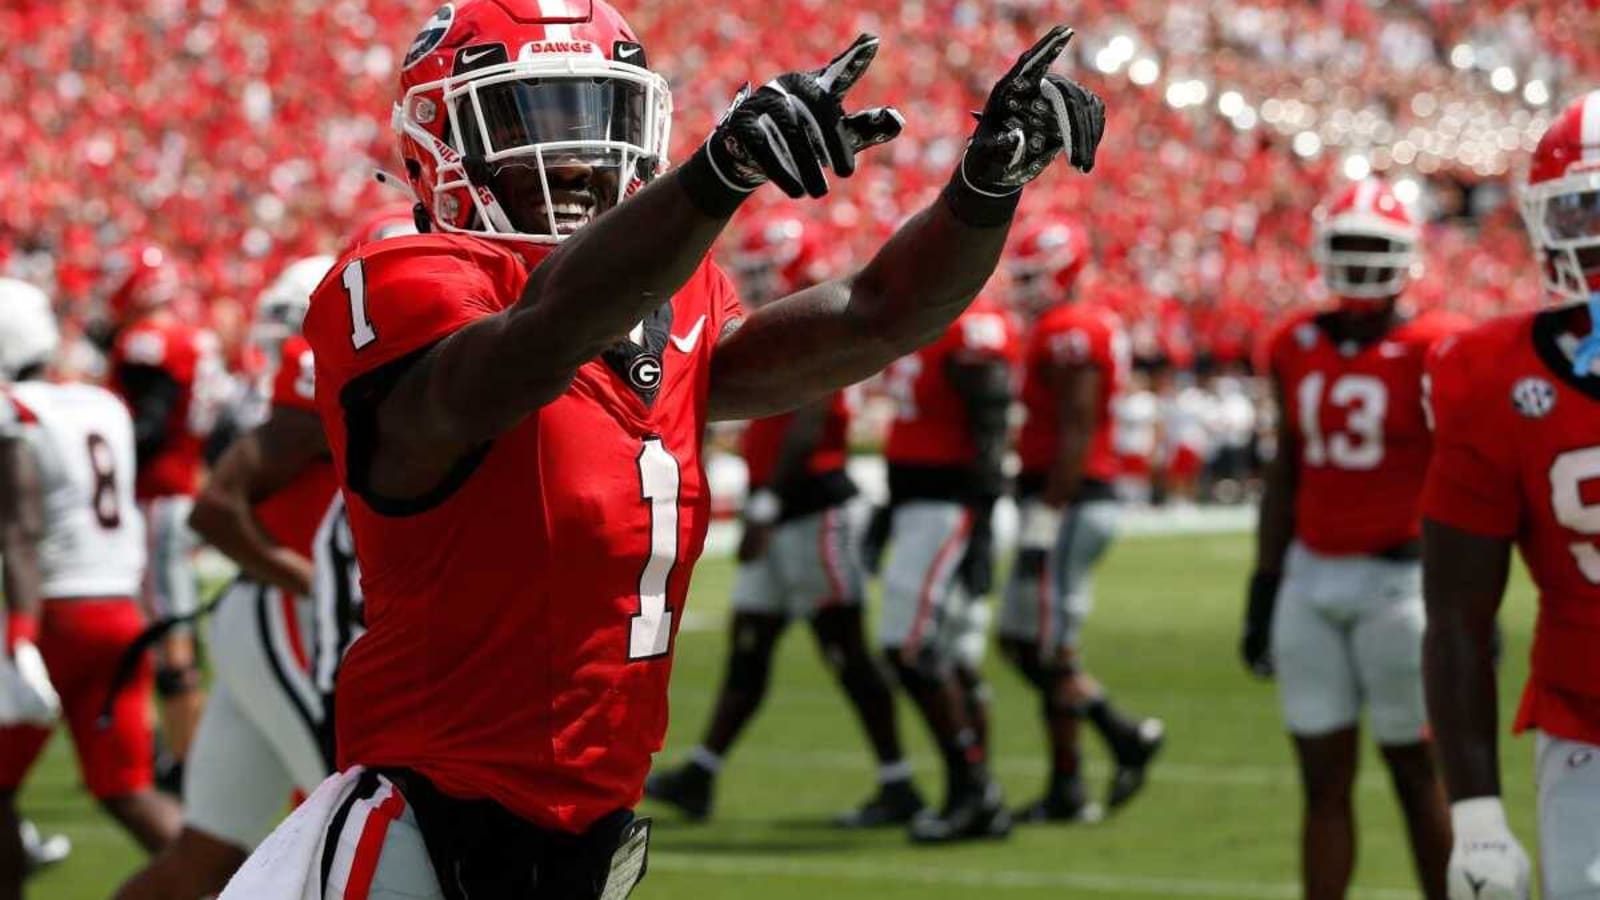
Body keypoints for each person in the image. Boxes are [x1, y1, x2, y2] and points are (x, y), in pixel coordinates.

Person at [220, 2, 1103, 895]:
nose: (575, 153)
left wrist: (985, 190)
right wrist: (716, 177)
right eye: (532, 119)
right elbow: (528, 348)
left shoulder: (670, 294)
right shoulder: (399, 268)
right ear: (440, 137)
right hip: (422, 822)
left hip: (588, 828)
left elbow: (875, 317)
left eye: (597, 116)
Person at [645, 213, 919, 827]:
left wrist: (767, 502)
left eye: (771, 267)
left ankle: (898, 780)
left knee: (844, 647)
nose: (760, 279)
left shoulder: (819, 319)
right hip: (782, 505)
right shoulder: (790, 318)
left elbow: (809, 418)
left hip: (813, 506)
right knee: (750, 647)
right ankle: (703, 773)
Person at [113, 257, 366, 899]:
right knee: (361, 825)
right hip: (289, 615)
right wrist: (313, 581)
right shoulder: (322, 377)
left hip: (274, 616)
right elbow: (216, 507)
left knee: (205, 856)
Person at [1244, 179, 1465, 900]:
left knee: (1415, 770)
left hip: (1402, 585)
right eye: (1351, 244)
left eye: (1377, 246)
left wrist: (1466, 602)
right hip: (1311, 579)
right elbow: (1285, 472)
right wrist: (1264, 583)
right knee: (1322, 780)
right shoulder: (1293, 342)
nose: (1364, 259)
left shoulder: (1438, 347)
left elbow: (1467, 483)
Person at [1422, 89, 1600, 900]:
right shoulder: (1491, 376)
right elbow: (1459, 616)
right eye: (1583, 215)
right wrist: (1479, 818)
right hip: (1587, 726)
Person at [0, 278, 181, 900]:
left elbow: (20, 529)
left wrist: (21, 635)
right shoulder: (104, 405)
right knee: (127, 788)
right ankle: (234, 886)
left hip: (53, 615)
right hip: (121, 611)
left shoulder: (16, 409)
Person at [1000, 218, 1163, 824]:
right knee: (1031, 643)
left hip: (1068, 501)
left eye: (1034, 277)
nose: (1025, 288)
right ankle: (1070, 784)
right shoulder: (1060, 325)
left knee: (1041, 646)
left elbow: (1077, 428)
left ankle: (1123, 737)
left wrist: (1047, 516)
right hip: (1066, 499)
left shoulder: (1072, 330)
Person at [877, 289, 1020, 841]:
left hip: (950, 508)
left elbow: (990, 425)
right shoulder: (918, 313)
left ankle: (974, 788)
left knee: (908, 647)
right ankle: (976, 794)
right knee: (953, 658)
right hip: (926, 507)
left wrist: (981, 523)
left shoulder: (971, 326)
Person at [106, 246, 227, 783]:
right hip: (183, 489)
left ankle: (185, 760)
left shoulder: (151, 342)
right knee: (169, 625)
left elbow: (149, 427)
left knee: (168, 634)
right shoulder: (194, 336)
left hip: (157, 498)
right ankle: (181, 752)